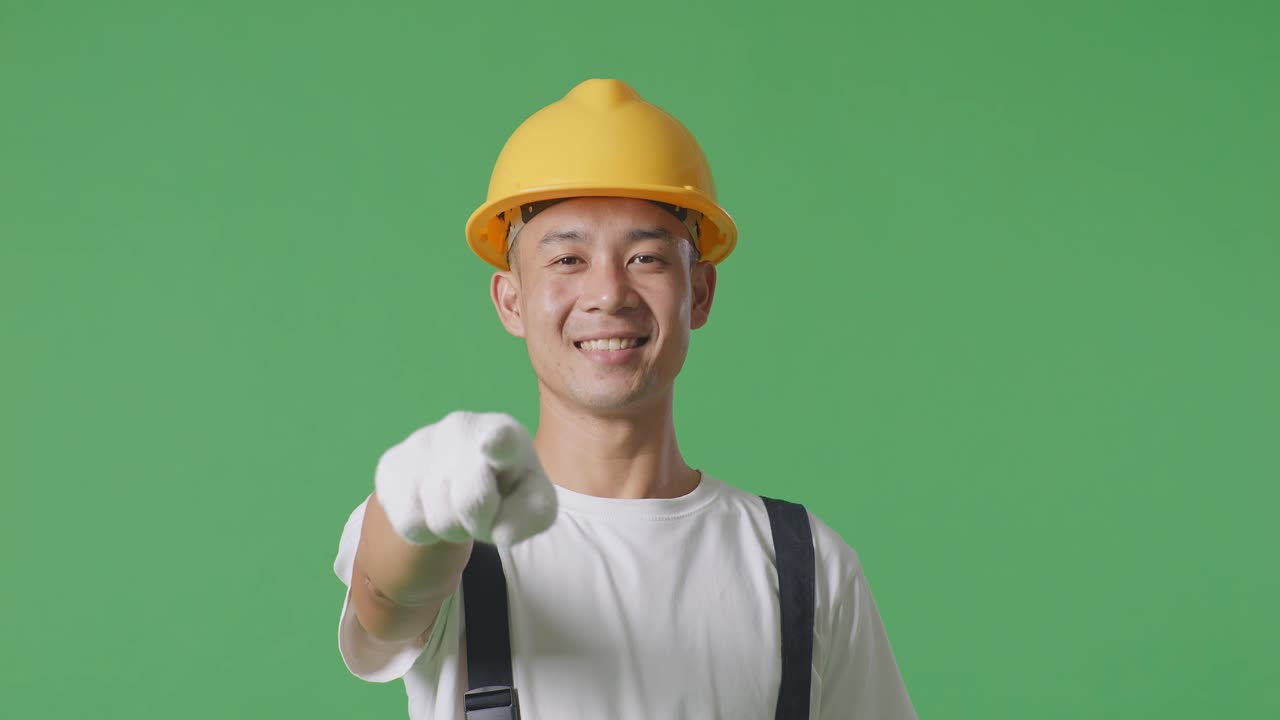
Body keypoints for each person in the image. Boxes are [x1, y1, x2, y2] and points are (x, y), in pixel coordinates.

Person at [333, 78, 917, 719]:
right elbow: (387, 598)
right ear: (511, 300)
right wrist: (416, 506)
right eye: (566, 260)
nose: (608, 294)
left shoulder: (807, 566)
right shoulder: (447, 522)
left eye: (645, 257)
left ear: (700, 293)